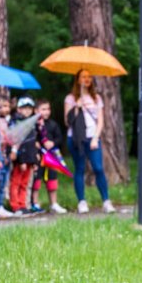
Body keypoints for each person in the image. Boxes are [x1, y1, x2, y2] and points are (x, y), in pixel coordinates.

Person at [64, 69, 116, 214]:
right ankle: (82, 201)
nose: (86, 79)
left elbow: (100, 121)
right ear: (78, 79)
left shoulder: (96, 98)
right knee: (79, 168)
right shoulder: (70, 98)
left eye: (89, 77)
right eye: (83, 77)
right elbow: (67, 121)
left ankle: (106, 200)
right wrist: (77, 107)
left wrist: (95, 138)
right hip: (75, 138)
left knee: (98, 168)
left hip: (92, 137)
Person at [32, 99, 66, 214]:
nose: (46, 112)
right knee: (36, 180)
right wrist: (36, 144)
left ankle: (54, 203)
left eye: (48, 109)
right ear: (36, 110)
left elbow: (59, 138)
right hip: (38, 157)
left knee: (52, 179)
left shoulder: (53, 124)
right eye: (43, 109)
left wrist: (53, 143)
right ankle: (34, 203)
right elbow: (31, 138)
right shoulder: (33, 124)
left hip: (51, 157)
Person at [0, 97, 14, 218]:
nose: (3, 109)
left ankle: (0, 205)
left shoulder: (8, 121)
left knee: (4, 181)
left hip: (6, 154)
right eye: (0, 107)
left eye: (6, 106)